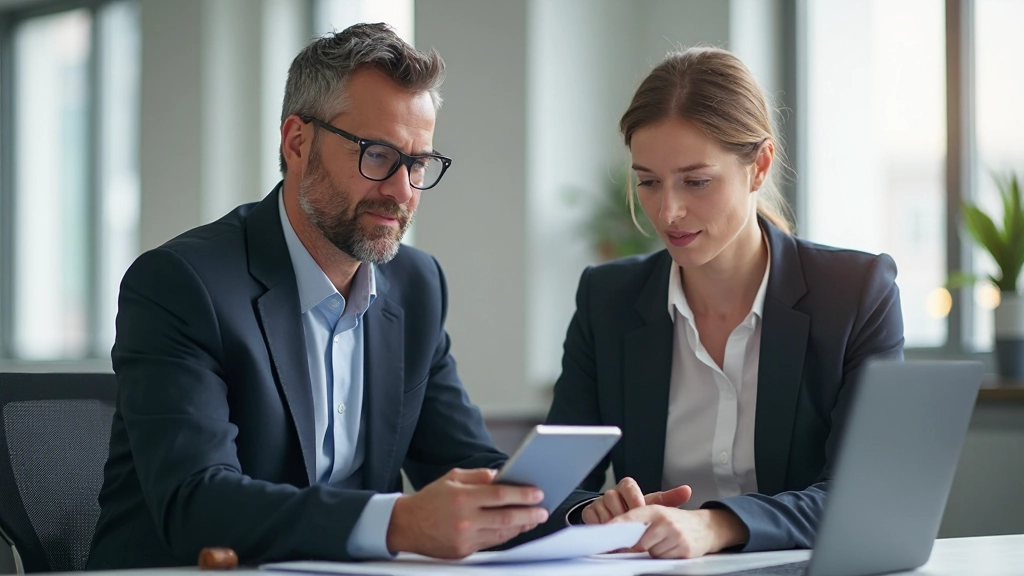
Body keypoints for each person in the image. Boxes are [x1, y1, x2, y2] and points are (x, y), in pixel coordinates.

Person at [87, 23, 557, 569]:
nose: (402, 191)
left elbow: (466, 462)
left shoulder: (416, 286)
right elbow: (197, 502)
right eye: (378, 155)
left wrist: (597, 514)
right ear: (297, 142)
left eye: (418, 163)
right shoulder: (183, 283)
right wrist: (399, 522)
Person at [545, 46, 905, 559]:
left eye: (696, 181)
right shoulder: (608, 301)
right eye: (648, 181)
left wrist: (714, 526)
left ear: (759, 166)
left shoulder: (854, 293)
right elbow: (552, 489)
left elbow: (864, 495)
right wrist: (592, 510)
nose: (668, 211)